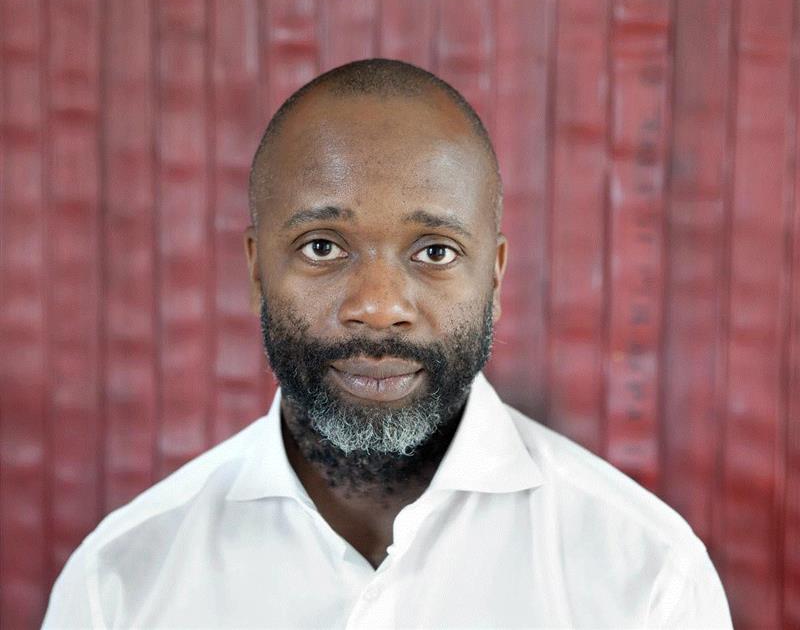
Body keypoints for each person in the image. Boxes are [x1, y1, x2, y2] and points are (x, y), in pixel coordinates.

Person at [43, 59, 732, 629]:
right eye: (322, 246)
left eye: (434, 250)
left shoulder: (646, 577)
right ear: (257, 269)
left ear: (494, 273)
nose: (377, 308)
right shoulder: (120, 584)